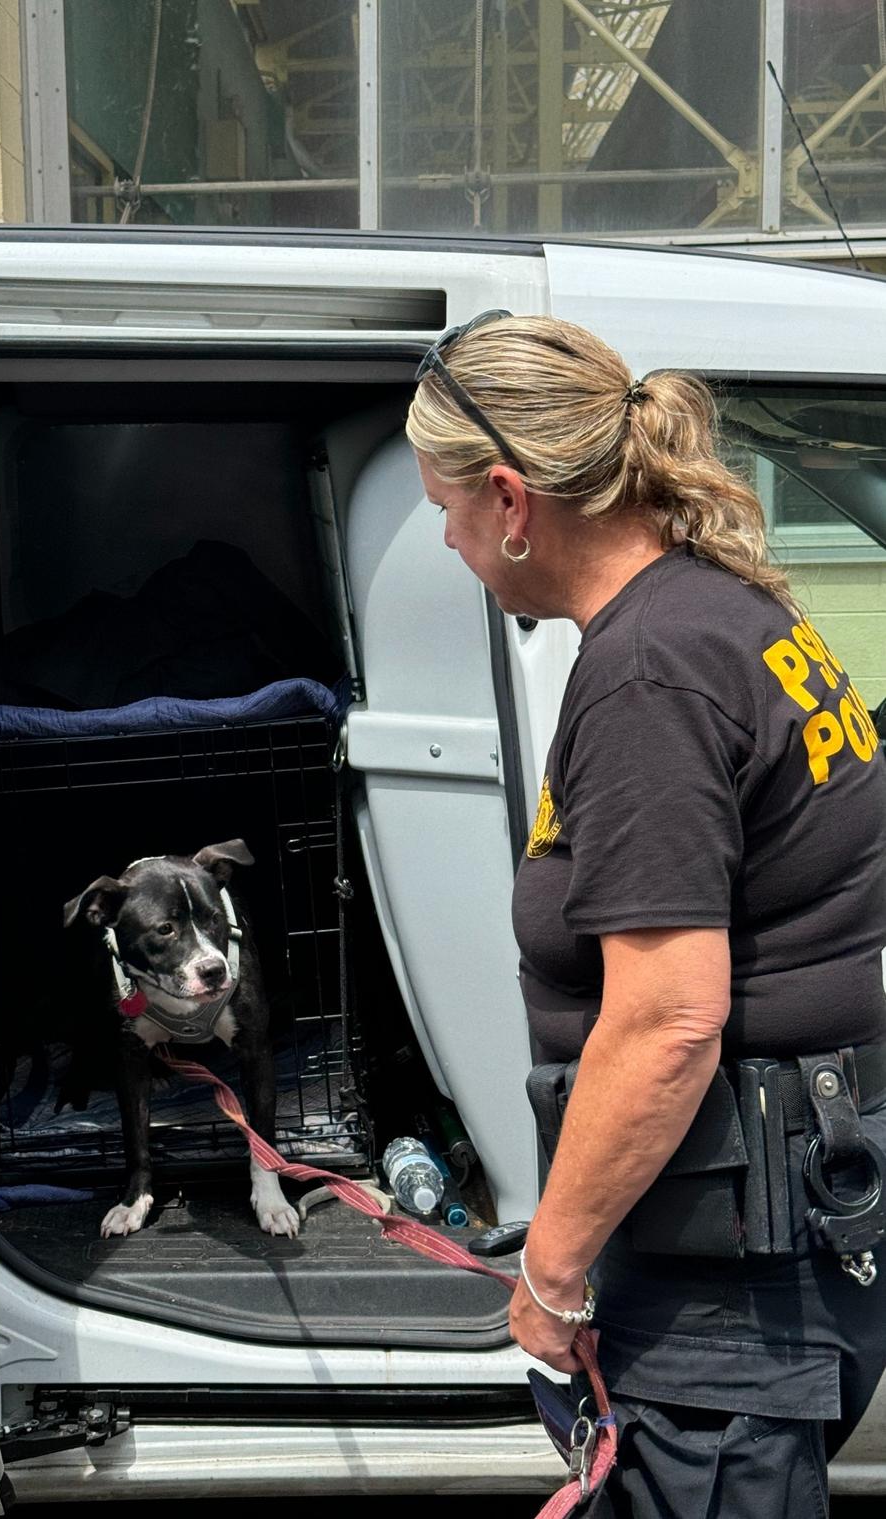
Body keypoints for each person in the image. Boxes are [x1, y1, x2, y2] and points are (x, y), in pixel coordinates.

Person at [406, 312, 886, 1517]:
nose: (451, 539)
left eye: (448, 509)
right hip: (781, 1236)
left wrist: (553, 1275)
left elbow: (670, 1021)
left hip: (730, 1289)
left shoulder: (647, 673)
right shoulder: (722, 613)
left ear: (512, 500)